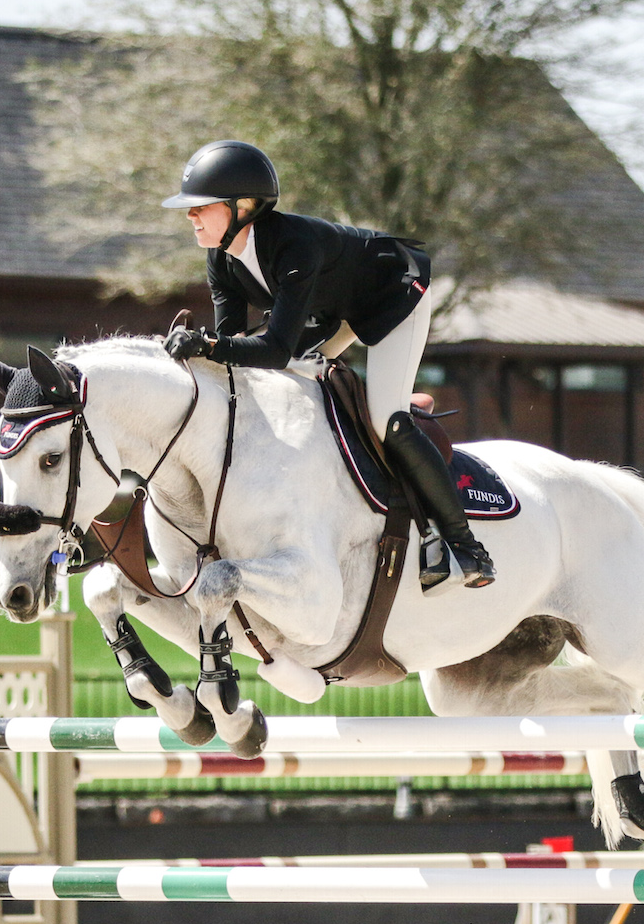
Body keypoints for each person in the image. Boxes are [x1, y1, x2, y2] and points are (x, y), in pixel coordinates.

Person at [158, 139, 495, 590]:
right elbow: (234, 347)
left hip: (394, 292)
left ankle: (466, 545)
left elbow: (274, 351)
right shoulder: (220, 258)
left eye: (201, 207)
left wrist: (204, 345)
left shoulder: (293, 246)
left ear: (244, 206)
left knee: (386, 418)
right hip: (333, 309)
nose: (190, 216)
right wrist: (203, 351)